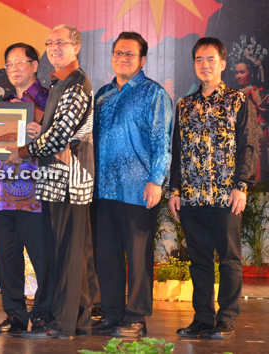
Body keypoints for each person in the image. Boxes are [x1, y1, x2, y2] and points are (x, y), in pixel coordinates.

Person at [6, 24, 95, 338]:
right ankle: (71, 320)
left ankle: (68, 323)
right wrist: (39, 130)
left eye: (60, 42)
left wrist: (24, 150)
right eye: (49, 43)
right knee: (63, 254)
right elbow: (54, 132)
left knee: (70, 255)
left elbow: (60, 136)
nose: (54, 47)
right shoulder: (61, 82)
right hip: (55, 182)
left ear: (76, 46)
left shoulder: (77, 83)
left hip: (70, 183)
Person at [170, 37, 257, 340]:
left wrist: (242, 186)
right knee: (199, 259)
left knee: (230, 258)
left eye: (210, 59)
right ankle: (203, 319)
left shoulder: (238, 100)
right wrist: (175, 190)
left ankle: (227, 318)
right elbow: (177, 152)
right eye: (199, 60)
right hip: (192, 197)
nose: (204, 65)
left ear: (222, 63)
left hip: (226, 196)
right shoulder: (184, 105)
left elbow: (248, 145)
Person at [92, 32, 173, 337]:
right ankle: (112, 314)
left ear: (142, 60)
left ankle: (136, 316)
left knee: (138, 258)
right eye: (118, 53)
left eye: (129, 54)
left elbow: (161, 141)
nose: (122, 59)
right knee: (107, 255)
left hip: (138, 190)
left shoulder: (153, 94)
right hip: (102, 189)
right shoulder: (102, 94)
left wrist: (156, 181)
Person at [0, 43, 54, 333]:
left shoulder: (49, 99)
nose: (14, 68)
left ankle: (44, 313)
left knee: (43, 256)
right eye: (9, 64)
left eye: (20, 62)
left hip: (38, 194)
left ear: (34, 65)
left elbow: (63, 139)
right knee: (7, 257)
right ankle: (15, 314)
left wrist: (42, 131)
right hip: (3, 195)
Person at [234, 58, 269, 182]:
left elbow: (259, 103)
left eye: (242, 72)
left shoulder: (253, 90)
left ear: (251, 74)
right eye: (236, 72)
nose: (238, 76)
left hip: (252, 134)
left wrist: (262, 104)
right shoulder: (235, 93)